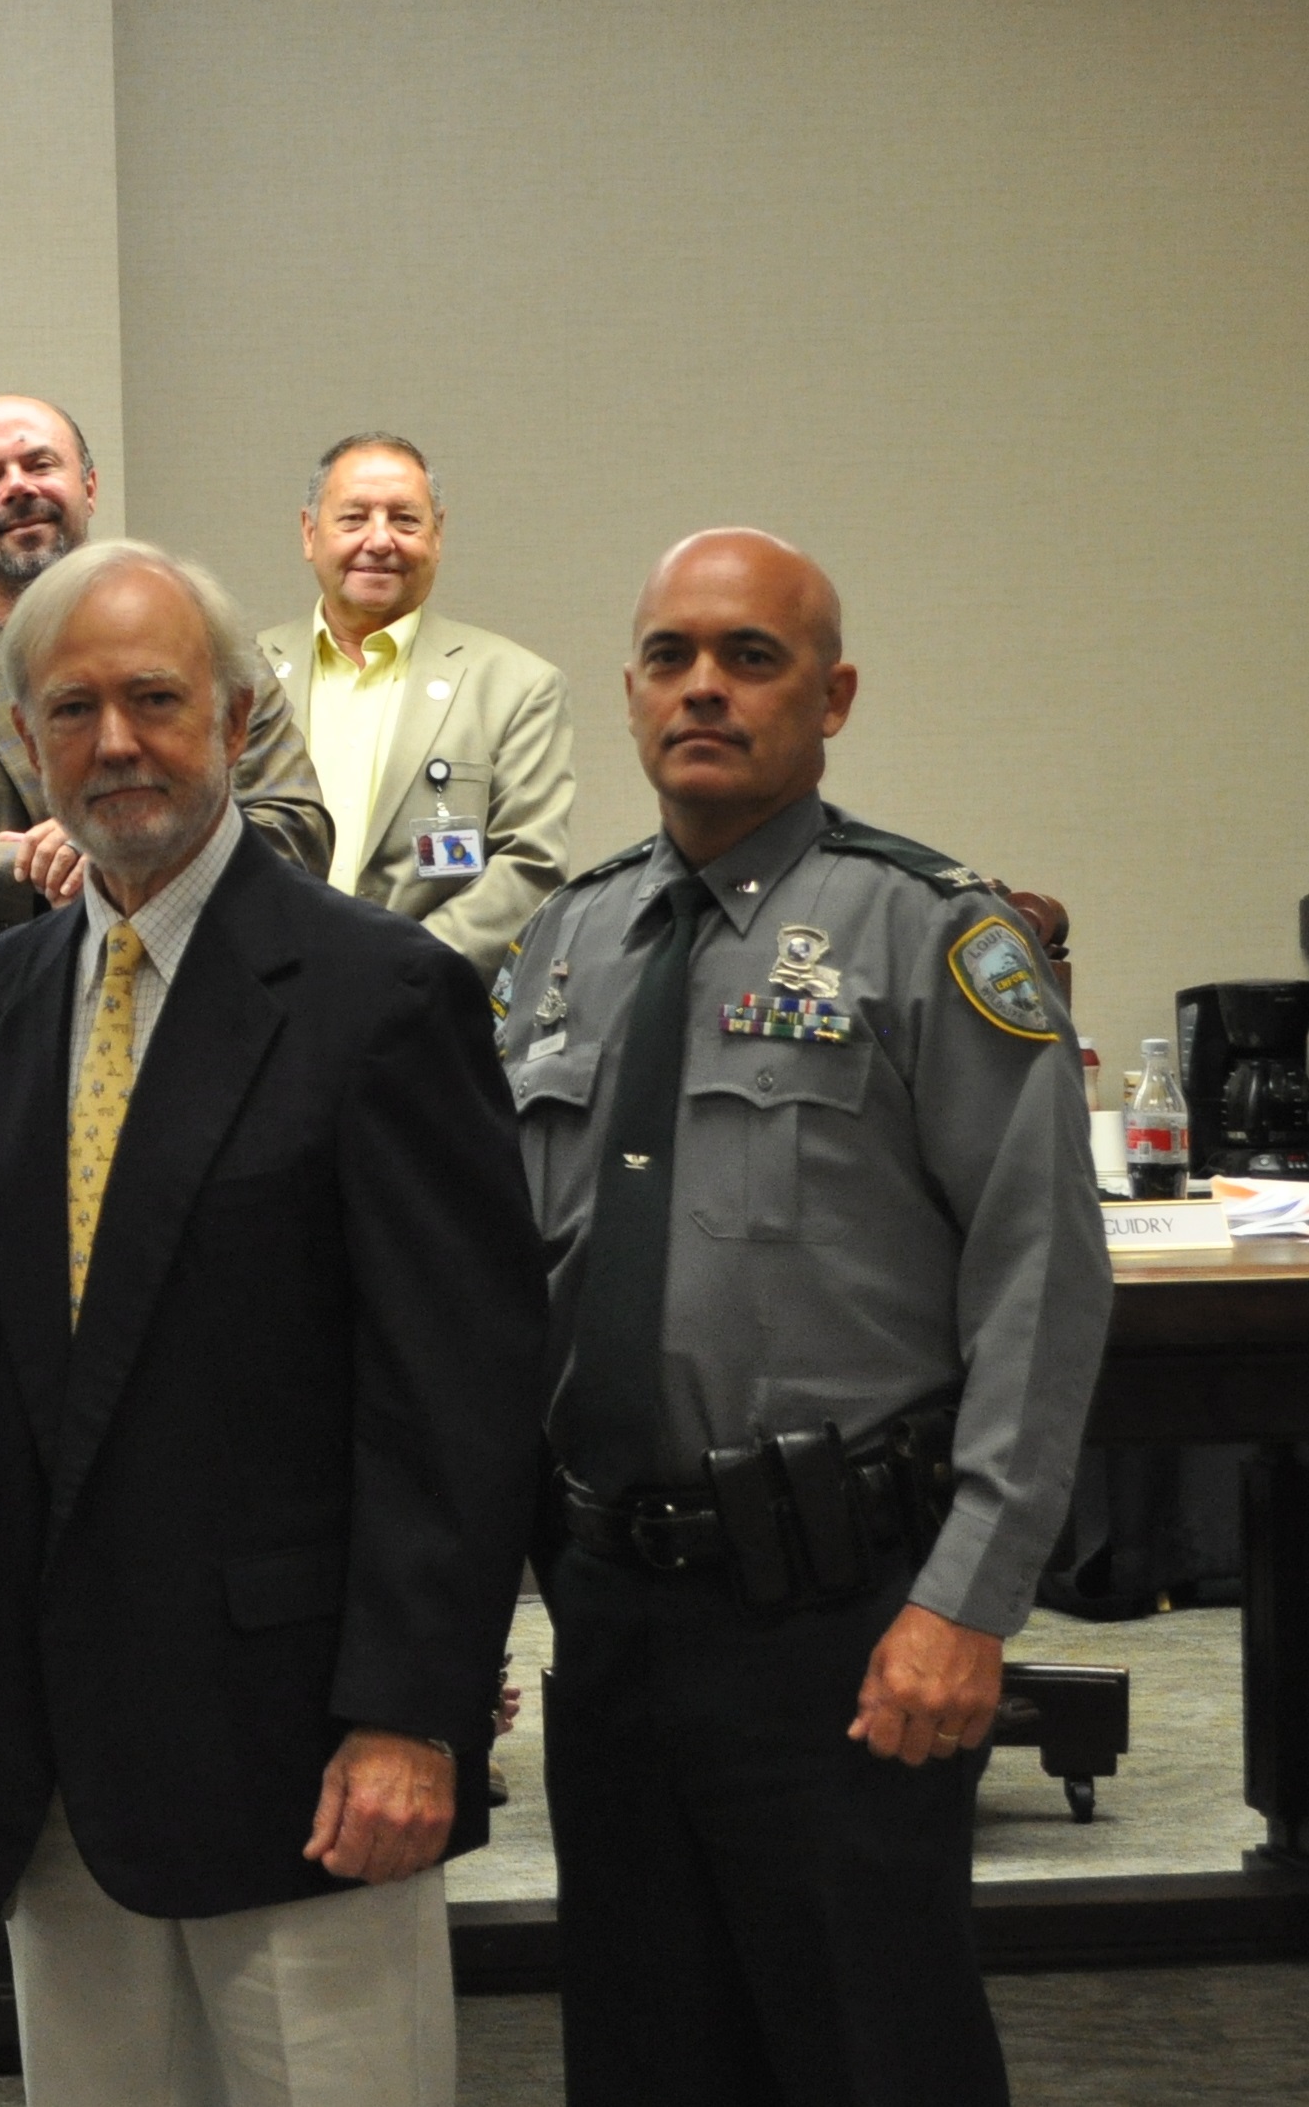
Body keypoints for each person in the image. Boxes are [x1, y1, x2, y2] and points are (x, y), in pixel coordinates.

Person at [0, 540, 545, 2106]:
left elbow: (458, 1394)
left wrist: (414, 1714)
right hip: (50, 1761)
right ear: (30, 744)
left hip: (307, 1760)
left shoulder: (379, 997)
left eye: (156, 700)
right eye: (74, 709)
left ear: (238, 720)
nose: (116, 743)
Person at [504, 529, 1109, 2104]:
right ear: (629, 691)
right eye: (668, 657)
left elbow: (1043, 1279)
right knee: (646, 2051)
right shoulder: (565, 944)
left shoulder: (930, 934)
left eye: (750, 658)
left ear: (830, 695)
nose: (702, 687)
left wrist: (967, 1605)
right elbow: (521, 1285)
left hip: (844, 1618)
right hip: (615, 1613)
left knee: (867, 2048)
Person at [0, 394, 330, 930]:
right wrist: (49, 863)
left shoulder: (201, 641)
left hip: (206, 981)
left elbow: (297, 829)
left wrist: (124, 846)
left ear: (89, 488)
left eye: (40, 464)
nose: (18, 487)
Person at [255, 432, 571, 973]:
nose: (380, 541)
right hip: (260, 996)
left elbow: (529, 868)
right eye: (353, 518)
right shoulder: (241, 675)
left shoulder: (516, 686)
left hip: (425, 1008)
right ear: (310, 533)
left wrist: (393, 972)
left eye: (405, 520)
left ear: (438, 535)